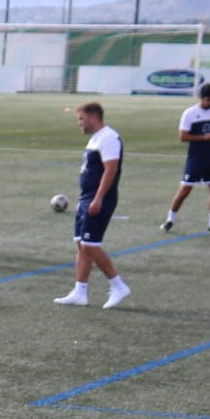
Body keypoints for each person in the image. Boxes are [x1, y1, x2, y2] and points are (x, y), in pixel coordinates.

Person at [55, 102, 133, 309]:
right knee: (81, 244)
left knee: (90, 245)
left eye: (81, 119)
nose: (79, 123)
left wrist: (98, 198)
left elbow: (110, 170)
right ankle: (80, 292)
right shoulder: (95, 139)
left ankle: (118, 285)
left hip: (99, 198)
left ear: (93, 117)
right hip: (85, 197)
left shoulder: (109, 138)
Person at [163, 84, 210, 234]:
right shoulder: (189, 113)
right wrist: (204, 137)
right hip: (196, 159)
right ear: (201, 97)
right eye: (208, 99)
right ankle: (170, 219)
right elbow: (183, 136)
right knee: (185, 189)